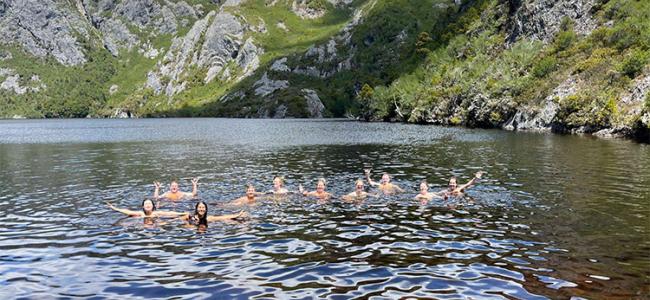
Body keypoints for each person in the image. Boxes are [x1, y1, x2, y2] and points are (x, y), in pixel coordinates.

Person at [178, 201, 248, 227]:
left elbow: (222, 217)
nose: (201, 209)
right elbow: (177, 221)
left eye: (203, 207)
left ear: (206, 209)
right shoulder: (189, 216)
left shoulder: (208, 218)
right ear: (196, 209)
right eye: (199, 207)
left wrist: (237, 215)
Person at [106, 199, 187, 218]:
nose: (148, 205)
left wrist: (182, 213)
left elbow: (170, 213)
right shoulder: (140, 213)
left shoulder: (156, 213)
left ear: (153, 206)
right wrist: (115, 208)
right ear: (143, 207)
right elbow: (128, 212)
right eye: (146, 204)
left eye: (149, 203)